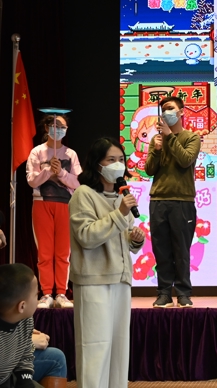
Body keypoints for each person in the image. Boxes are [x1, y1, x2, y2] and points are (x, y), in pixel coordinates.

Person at [69, 137, 145, 387]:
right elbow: (86, 236)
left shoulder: (122, 197)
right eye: (111, 160)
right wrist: (120, 213)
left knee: (118, 350)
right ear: (97, 164)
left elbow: (121, 238)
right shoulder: (83, 194)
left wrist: (134, 240)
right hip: (94, 282)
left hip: (121, 279)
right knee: (95, 350)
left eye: (121, 159)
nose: (118, 165)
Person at [145, 96, 200, 308]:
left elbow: (185, 160)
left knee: (181, 250)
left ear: (181, 112)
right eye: (164, 109)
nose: (166, 112)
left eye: (170, 108)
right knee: (161, 250)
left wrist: (169, 137)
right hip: (159, 200)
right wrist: (157, 150)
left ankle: (184, 294)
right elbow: (149, 170)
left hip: (182, 201)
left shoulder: (191, 137)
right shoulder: (156, 140)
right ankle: (164, 293)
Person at [26, 114, 81, 309]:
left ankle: (62, 293)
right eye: (55, 126)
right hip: (42, 203)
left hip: (65, 204)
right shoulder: (37, 152)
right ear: (47, 128)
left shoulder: (70, 154)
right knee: (45, 252)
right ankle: (46, 293)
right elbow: (31, 180)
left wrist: (62, 173)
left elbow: (78, 182)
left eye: (62, 127)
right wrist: (49, 170)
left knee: (63, 251)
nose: (58, 130)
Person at [0, 263, 39, 388]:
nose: (38, 300)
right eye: (36, 295)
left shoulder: (25, 319)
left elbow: (25, 353)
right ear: (22, 306)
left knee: (56, 357)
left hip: (9, 375)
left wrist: (25, 380)